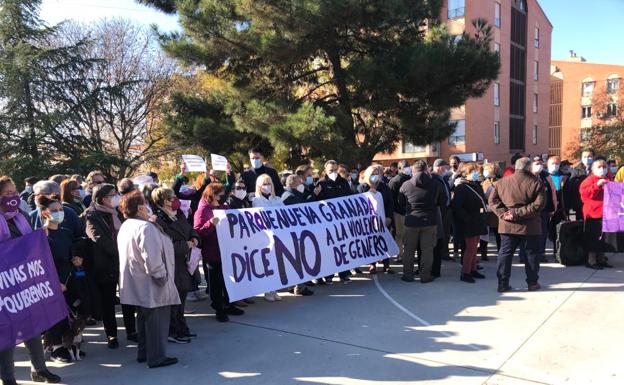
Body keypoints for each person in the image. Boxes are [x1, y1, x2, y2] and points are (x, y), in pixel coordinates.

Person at [0, 176, 61, 385]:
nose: (13, 196)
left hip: (25, 282)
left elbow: (30, 242)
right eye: (7, 193)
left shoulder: (21, 216)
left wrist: (43, 230)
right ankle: (7, 378)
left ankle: (39, 369)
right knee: (6, 332)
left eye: (14, 192)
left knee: (32, 326)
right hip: (5, 287)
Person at [117, 190, 180, 369]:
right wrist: (161, 276)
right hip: (151, 282)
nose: (148, 207)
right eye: (145, 203)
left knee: (144, 320)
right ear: (139, 207)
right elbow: (152, 257)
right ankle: (157, 357)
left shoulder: (128, 225)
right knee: (157, 322)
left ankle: (144, 353)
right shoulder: (145, 228)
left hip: (136, 282)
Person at [85, 184, 137, 349]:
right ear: (102, 199)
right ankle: (112, 335)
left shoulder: (118, 213)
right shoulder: (91, 215)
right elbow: (99, 239)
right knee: (108, 303)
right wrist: (122, 249)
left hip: (124, 262)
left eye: (116, 194)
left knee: (128, 299)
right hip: (106, 265)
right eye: (111, 195)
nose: (116, 198)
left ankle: (131, 330)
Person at [488, 157, 546, 293]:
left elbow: (492, 201)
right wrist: (516, 213)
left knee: (505, 255)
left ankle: (502, 284)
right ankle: (532, 283)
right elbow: (539, 205)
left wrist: (505, 214)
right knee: (531, 255)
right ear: (529, 168)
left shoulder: (502, 182)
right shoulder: (536, 183)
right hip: (529, 226)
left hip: (508, 225)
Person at [152, 188, 200, 343]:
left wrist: (194, 238)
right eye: (172, 198)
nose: (176, 200)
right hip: (173, 265)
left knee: (182, 297)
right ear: (164, 201)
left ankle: (182, 327)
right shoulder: (158, 220)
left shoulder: (178, 214)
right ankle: (173, 331)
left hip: (185, 262)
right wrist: (185, 245)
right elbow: (165, 244)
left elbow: (190, 228)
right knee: (174, 300)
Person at [194, 183, 246, 319]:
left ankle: (229, 304)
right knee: (216, 283)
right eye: (220, 194)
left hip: (227, 250)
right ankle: (219, 308)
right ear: (212, 194)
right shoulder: (203, 210)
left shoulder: (224, 207)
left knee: (229, 281)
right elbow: (198, 232)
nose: (223, 196)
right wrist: (210, 223)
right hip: (213, 252)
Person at [36, 196, 76, 363]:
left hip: (69, 279)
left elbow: (68, 253)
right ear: (45, 213)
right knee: (56, 317)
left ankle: (68, 345)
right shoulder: (41, 236)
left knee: (69, 316)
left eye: (61, 210)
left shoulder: (66, 232)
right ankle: (55, 348)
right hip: (53, 282)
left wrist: (77, 258)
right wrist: (55, 283)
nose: (59, 213)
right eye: (54, 210)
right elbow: (43, 263)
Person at [398, 160, 445, 283]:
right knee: (427, 251)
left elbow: (401, 203)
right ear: (426, 170)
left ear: (413, 171)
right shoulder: (436, 184)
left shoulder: (406, 185)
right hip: (430, 221)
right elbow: (442, 202)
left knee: (409, 250)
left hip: (411, 221)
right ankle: (425, 276)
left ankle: (408, 275)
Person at [316, 160, 353, 283]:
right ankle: (329, 276)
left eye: (335, 170)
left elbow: (349, 199)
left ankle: (344, 274)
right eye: (330, 170)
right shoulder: (321, 183)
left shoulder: (343, 182)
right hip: (327, 222)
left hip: (342, 221)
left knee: (343, 247)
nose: (333, 172)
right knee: (330, 249)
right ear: (325, 171)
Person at [451, 163, 488, 283]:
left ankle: (472, 269)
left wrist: (483, 212)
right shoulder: (461, 187)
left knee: (474, 247)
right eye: (475, 171)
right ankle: (465, 273)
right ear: (467, 173)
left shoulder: (477, 185)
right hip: (469, 222)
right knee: (470, 248)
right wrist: (468, 218)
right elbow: (457, 207)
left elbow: (482, 203)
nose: (478, 173)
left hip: (478, 220)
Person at [252, 175, 287, 299]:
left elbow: (285, 215)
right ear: (259, 186)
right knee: (267, 264)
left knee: (277, 263)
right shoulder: (255, 200)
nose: (266, 186)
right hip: (264, 237)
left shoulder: (277, 199)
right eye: (264, 184)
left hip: (278, 235)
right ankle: (267, 291)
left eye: (269, 183)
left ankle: (274, 290)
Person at [280, 175, 315, 296]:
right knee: (299, 259)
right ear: (293, 183)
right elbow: (302, 210)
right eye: (300, 182)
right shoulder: (290, 197)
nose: (302, 184)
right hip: (296, 233)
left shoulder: (288, 195)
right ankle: (299, 287)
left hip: (293, 233)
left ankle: (292, 285)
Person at [359, 165, 395, 274]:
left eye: (377, 173)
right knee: (371, 243)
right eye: (373, 173)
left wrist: (389, 217)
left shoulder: (384, 187)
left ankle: (386, 264)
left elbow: (390, 203)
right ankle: (372, 264)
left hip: (383, 220)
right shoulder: (362, 187)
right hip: (368, 222)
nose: (375, 176)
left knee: (384, 241)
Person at [580, 159, 613, 270]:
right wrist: (597, 185)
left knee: (604, 239)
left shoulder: (608, 179)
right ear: (593, 169)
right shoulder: (589, 180)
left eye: (604, 166)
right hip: (593, 214)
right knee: (593, 238)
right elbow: (585, 194)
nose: (602, 169)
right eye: (599, 167)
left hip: (606, 214)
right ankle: (591, 260)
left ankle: (601, 259)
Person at [430, 159, 452, 275]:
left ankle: (444, 253)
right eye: (445, 167)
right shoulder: (433, 179)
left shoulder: (442, 179)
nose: (446, 170)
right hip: (438, 212)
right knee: (438, 238)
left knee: (444, 235)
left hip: (446, 210)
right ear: (439, 167)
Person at [388, 161, 413, 262]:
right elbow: (392, 198)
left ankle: (402, 254)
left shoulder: (406, 179)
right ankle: (401, 254)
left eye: (408, 166)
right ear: (399, 168)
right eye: (405, 167)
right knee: (401, 234)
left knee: (403, 235)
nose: (407, 168)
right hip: (400, 211)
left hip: (404, 211)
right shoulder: (395, 181)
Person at [545, 156, 569, 255]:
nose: (555, 166)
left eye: (557, 164)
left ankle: (558, 252)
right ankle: (542, 253)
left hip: (560, 210)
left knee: (558, 232)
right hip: (546, 209)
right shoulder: (544, 177)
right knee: (545, 233)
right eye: (552, 164)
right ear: (547, 165)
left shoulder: (564, 177)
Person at [565, 149, 594, 220]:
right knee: (580, 226)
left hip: (594, 204)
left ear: (593, 157)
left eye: (589, 156)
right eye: (585, 156)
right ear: (581, 158)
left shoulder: (596, 169)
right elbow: (571, 188)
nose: (587, 158)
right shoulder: (575, 171)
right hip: (580, 204)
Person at [481, 162, 502, 254]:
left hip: (495, 211)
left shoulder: (500, 182)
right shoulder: (483, 182)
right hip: (485, 211)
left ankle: (500, 250)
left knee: (498, 233)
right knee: (484, 233)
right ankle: (483, 252)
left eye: (487, 169)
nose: (485, 172)